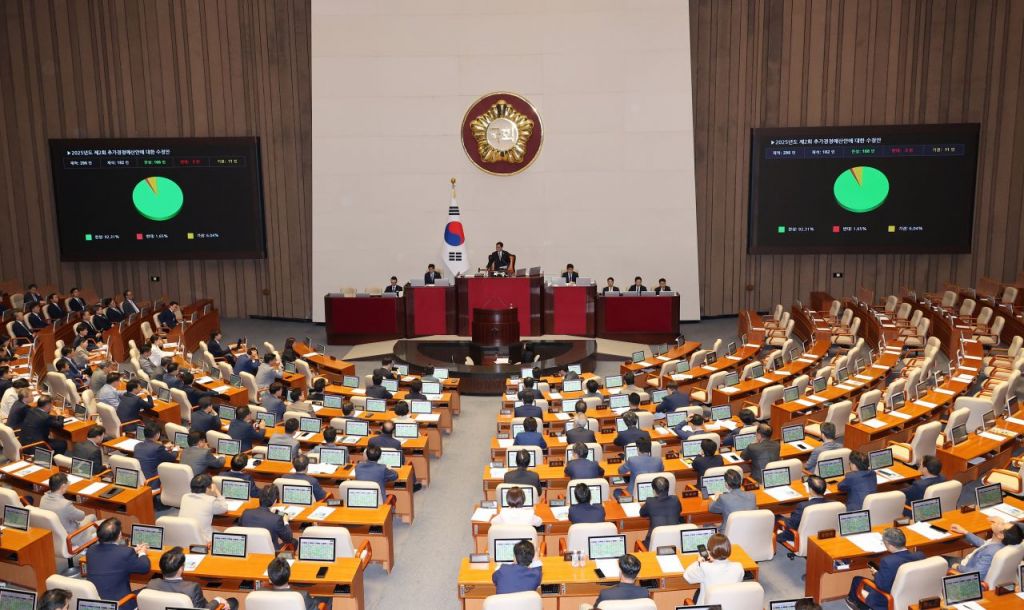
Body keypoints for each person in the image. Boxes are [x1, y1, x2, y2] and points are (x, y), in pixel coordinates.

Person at [847, 528, 924, 610]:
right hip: (914, 596)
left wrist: (876, 573)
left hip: (889, 599)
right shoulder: (920, 556)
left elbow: (882, 586)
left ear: (890, 545)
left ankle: (861, 607)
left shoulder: (887, 561)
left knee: (857, 580)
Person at [86, 518, 152, 610]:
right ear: (120, 534)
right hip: (120, 604)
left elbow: (111, 557)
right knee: (151, 589)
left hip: (96, 604)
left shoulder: (91, 550)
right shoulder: (125, 553)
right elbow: (145, 568)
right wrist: (142, 553)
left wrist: (132, 550)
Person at [146, 546, 235, 610]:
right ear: (181, 569)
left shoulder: (152, 584)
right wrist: (218, 600)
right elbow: (204, 609)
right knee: (233, 601)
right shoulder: (192, 588)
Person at [949, 520, 1023, 581]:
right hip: (971, 562)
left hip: (966, 567)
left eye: (1002, 524)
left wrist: (958, 567)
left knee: (942, 562)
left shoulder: (991, 553)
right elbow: (985, 544)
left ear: (1000, 535)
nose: (999, 522)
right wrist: (965, 532)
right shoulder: (998, 543)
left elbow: (978, 574)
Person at [683, 533, 745, 604]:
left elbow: (687, 576)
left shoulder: (705, 567)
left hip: (710, 607)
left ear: (709, 551)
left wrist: (699, 562)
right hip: (729, 605)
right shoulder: (738, 567)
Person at [41, 473, 97, 544]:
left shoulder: (43, 498)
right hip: (72, 537)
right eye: (68, 483)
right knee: (98, 520)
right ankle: (91, 543)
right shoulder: (65, 504)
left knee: (92, 517)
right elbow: (81, 516)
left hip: (54, 535)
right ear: (63, 486)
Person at [239, 485, 296, 550]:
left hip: (248, 549)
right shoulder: (276, 519)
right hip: (270, 553)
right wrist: (286, 521)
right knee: (294, 542)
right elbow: (288, 539)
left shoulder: (246, 513)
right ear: (275, 501)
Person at [777, 475, 829, 543]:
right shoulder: (834, 503)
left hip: (799, 538)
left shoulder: (803, 506)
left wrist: (785, 520)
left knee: (778, 518)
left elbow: (791, 525)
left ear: (810, 489)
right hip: (823, 536)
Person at [179, 474, 228, 543]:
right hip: (203, 538)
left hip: (184, 534)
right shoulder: (211, 501)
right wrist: (216, 491)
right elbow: (224, 508)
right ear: (208, 488)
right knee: (226, 535)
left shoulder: (185, 497)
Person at [640, 476, 682, 547]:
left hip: (654, 544)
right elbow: (680, 510)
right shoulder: (675, 499)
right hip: (674, 542)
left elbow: (642, 513)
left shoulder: (650, 502)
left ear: (654, 490)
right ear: (668, 488)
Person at [135, 422, 177, 489]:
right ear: (157, 434)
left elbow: (153, 452)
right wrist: (175, 450)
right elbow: (172, 458)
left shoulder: (137, 446)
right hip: (153, 482)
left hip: (140, 481)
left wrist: (164, 448)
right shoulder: (157, 448)